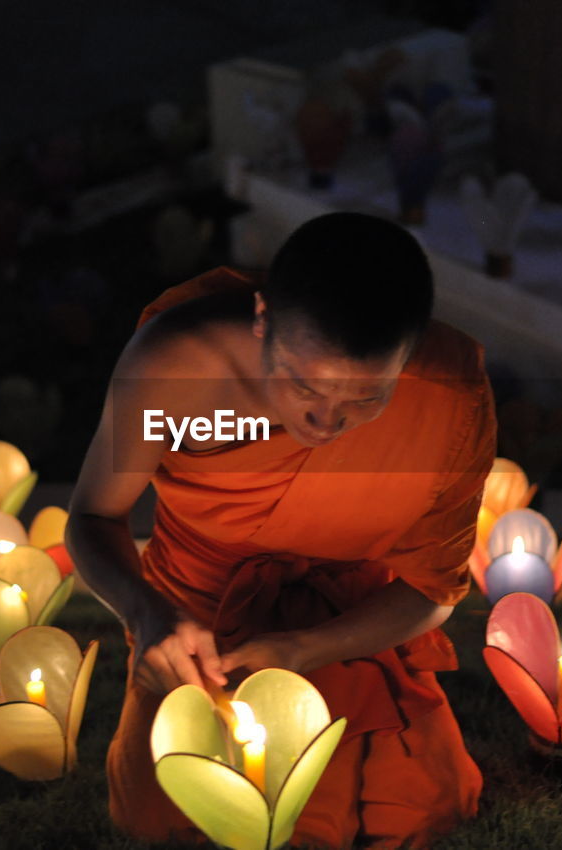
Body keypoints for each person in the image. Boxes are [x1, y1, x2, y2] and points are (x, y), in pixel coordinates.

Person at [66, 211, 495, 848]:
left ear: (407, 355)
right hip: (199, 609)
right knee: (164, 819)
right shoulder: (177, 366)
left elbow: (433, 591)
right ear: (262, 317)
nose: (326, 421)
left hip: (350, 615)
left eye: (366, 400)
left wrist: (304, 650)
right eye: (302, 385)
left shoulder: (448, 397)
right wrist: (146, 612)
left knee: (415, 812)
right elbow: (94, 518)